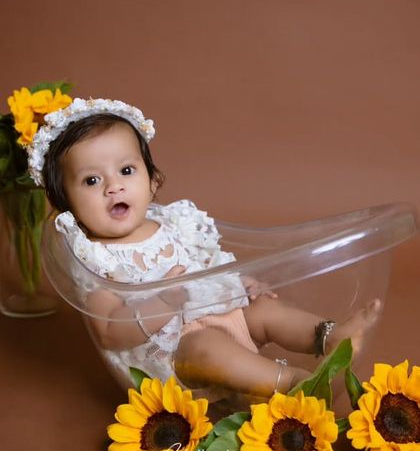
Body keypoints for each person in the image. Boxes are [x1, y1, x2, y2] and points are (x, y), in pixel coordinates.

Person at [27, 98, 380, 398]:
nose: (113, 187)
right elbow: (109, 332)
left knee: (266, 314)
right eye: (92, 180)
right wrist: (162, 302)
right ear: (66, 207)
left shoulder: (175, 223)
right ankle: (291, 385)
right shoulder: (96, 258)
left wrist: (241, 285)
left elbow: (210, 263)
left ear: (153, 182)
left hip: (223, 315)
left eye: (126, 170)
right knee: (208, 349)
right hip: (176, 355)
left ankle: (331, 336)